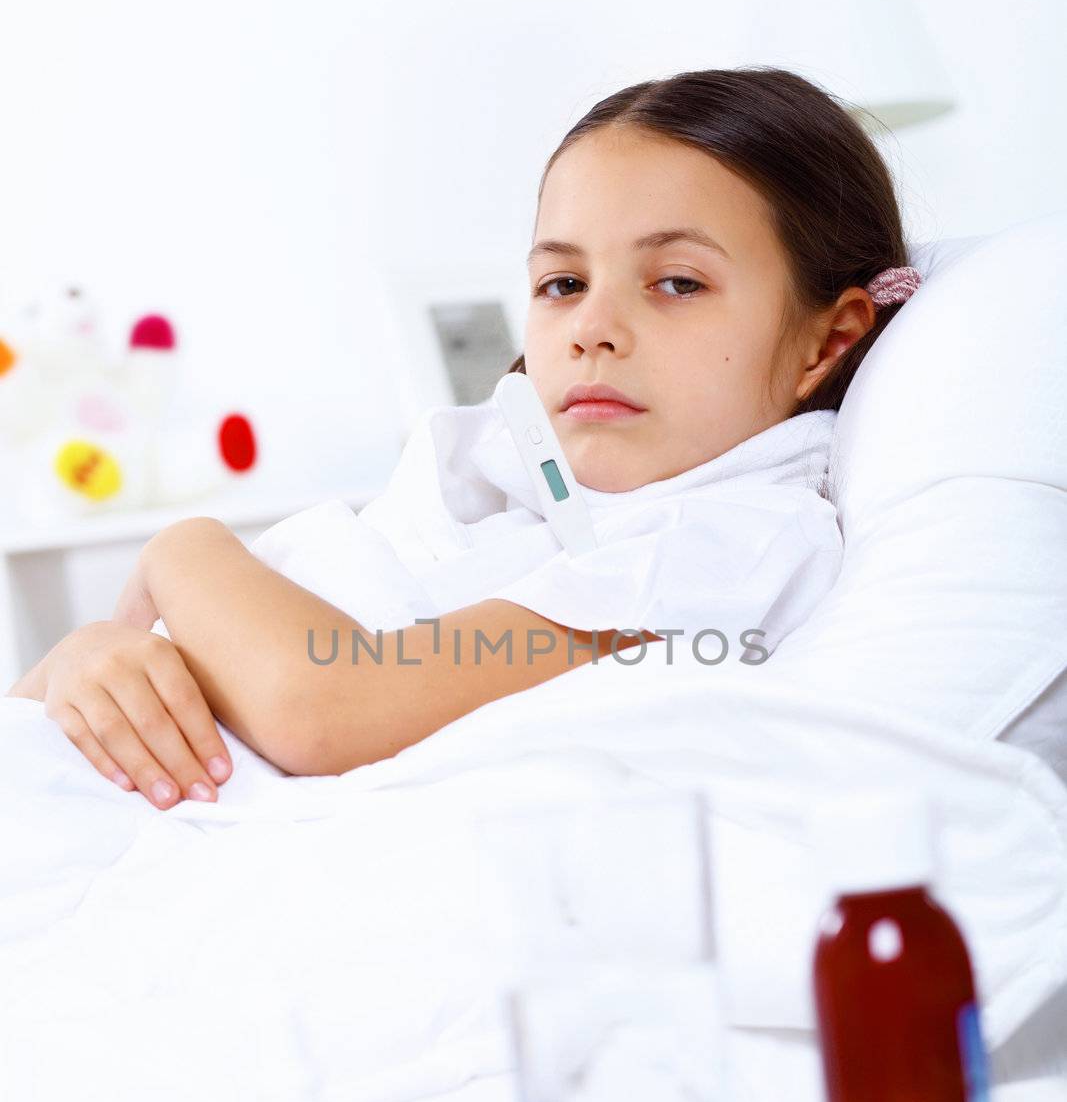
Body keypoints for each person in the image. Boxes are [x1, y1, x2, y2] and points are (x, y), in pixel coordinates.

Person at [5, 65, 920, 802]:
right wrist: (95, 654)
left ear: (825, 339)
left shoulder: (719, 546)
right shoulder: (511, 494)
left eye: (676, 282)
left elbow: (326, 702)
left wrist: (183, 547)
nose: (589, 328)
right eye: (562, 284)